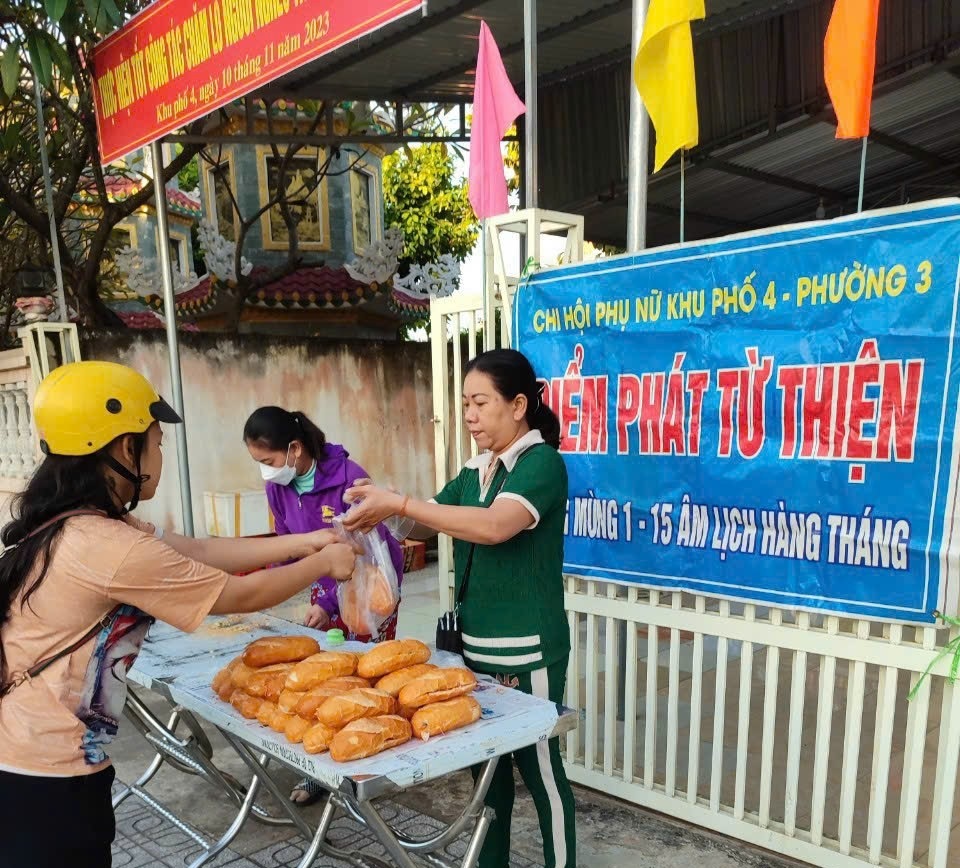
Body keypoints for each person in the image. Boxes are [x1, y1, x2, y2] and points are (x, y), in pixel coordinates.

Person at [0, 361, 358, 868]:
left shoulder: (83, 526)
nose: (160, 454)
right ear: (126, 449)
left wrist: (308, 540)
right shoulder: (108, 545)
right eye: (157, 442)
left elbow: (199, 551)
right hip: (46, 775)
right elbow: (236, 594)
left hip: (27, 758)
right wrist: (323, 564)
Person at [343, 348, 576, 868]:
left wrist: (400, 505)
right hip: (473, 648)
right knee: (486, 773)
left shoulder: (541, 464)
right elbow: (430, 519)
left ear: (518, 405)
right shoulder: (477, 471)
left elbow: (494, 526)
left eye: (479, 402)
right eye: (464, 404)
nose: (469, 415)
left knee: (540, 771)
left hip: (528, 650)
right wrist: (376, 509)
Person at [243, 405, 404, 804]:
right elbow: (286, 542)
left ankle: (367, 757)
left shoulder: (348, 478)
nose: (265, 470)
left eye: (268, 460)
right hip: (323, 586)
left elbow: (365, 549)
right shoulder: (277, 487)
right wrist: (270, 587)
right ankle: (324, 767)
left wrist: (333, 603)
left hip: (368, 589)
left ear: (294, 449)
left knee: (366, 675)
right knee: (324, 676)